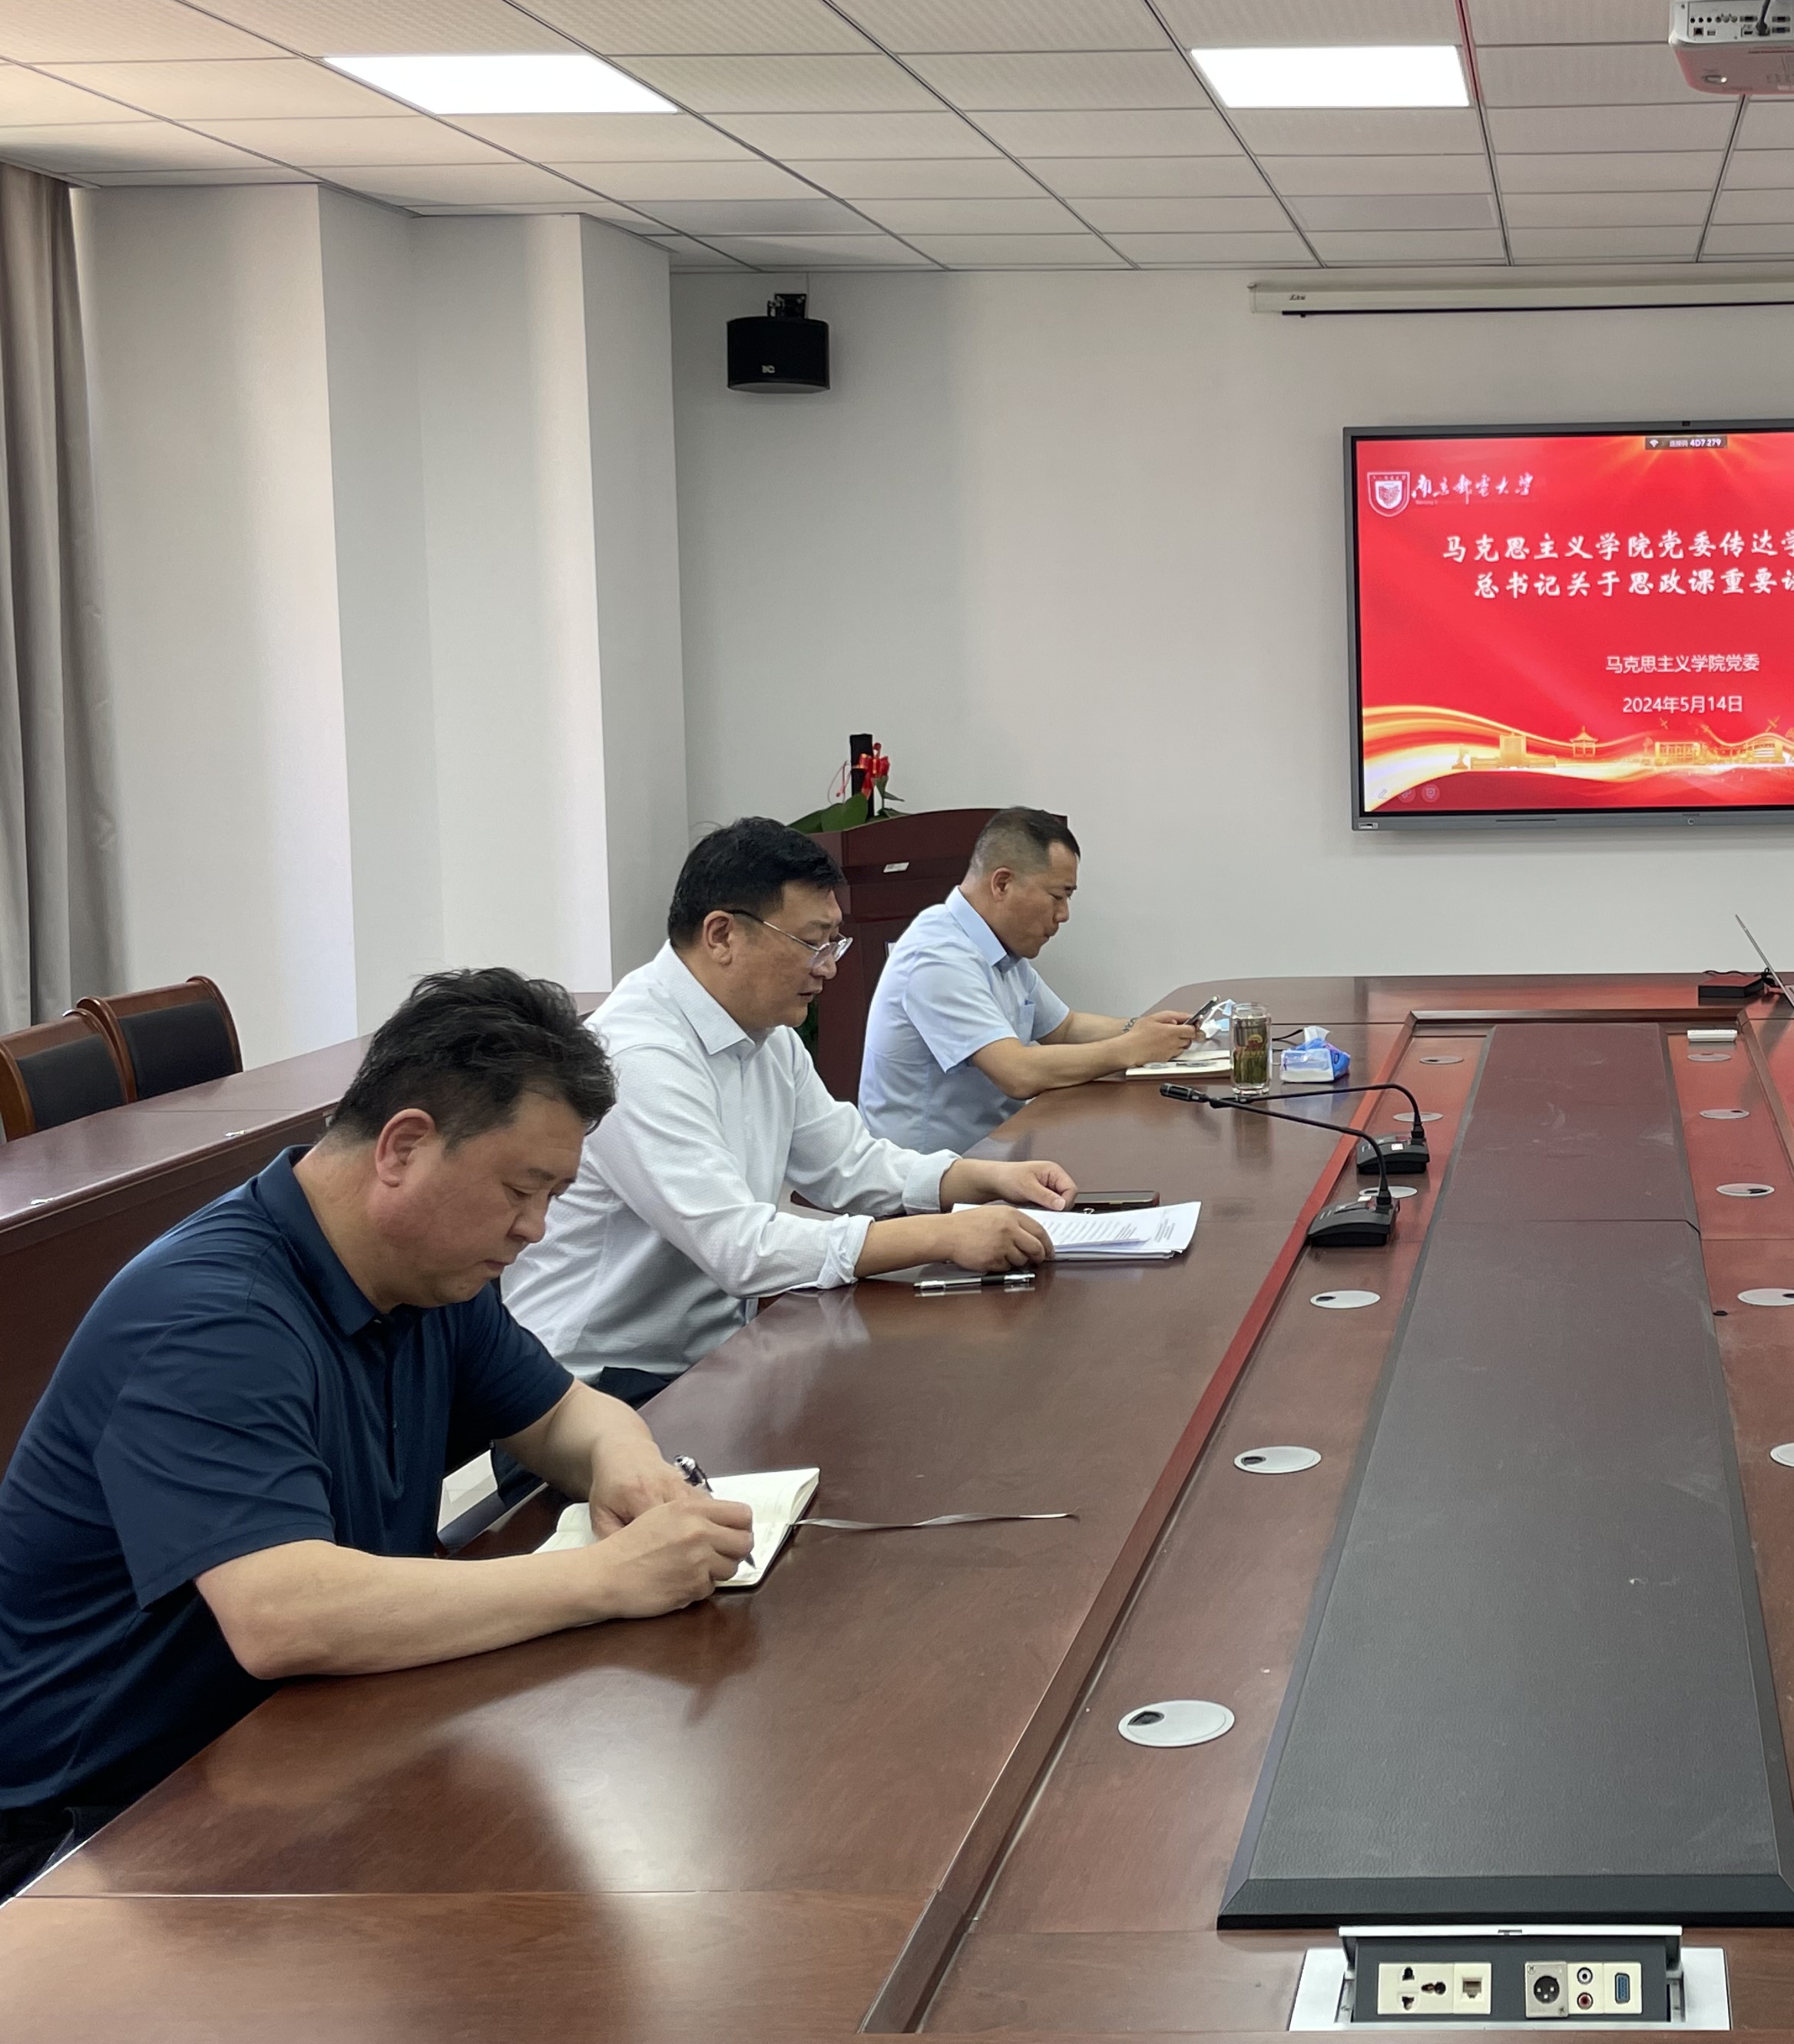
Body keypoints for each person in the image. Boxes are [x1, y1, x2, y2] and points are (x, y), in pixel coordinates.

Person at [0, 970, 759, 1897]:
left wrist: (632, 1470)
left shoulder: (428, 1271)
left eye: (556, 1195)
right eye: (521, 1190)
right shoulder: (212, 1318)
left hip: (292, 1751)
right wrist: (606, 1579)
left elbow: (567, 1413)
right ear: (403, 1146)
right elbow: (282, 1615)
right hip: (94, 1836)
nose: (536, 1229)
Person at [501, 819, 1081, 1396]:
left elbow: (848, 1164)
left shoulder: (768, 1035)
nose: (828, 965)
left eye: (834, 942)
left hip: (710, 1359)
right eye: (812, 943)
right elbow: (739, 1247)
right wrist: (946, 1236)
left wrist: (985, 1178)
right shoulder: (638, 1056)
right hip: (593, 1385)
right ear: (722, 935)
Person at [860, 805, 1198, 1151]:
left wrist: (1144, 1029)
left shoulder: (997, 944)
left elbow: (1064, 1028)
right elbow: (1017, 1073)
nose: (1064, 915)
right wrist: (1130, 1049)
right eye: (1057, 896)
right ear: (1002, 884)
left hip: (998, 1152)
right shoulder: (937, 956)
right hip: (933, 1175)